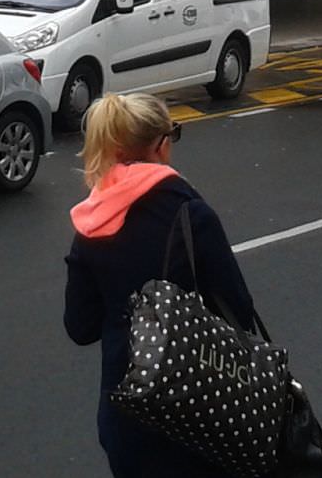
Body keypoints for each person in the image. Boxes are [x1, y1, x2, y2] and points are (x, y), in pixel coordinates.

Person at [64, 93, 256, 478]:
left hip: (126, 414)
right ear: (161, 145)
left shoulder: (91, 224)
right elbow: (239, 311)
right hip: (198, 410)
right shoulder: (190, 214)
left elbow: (80, 328)